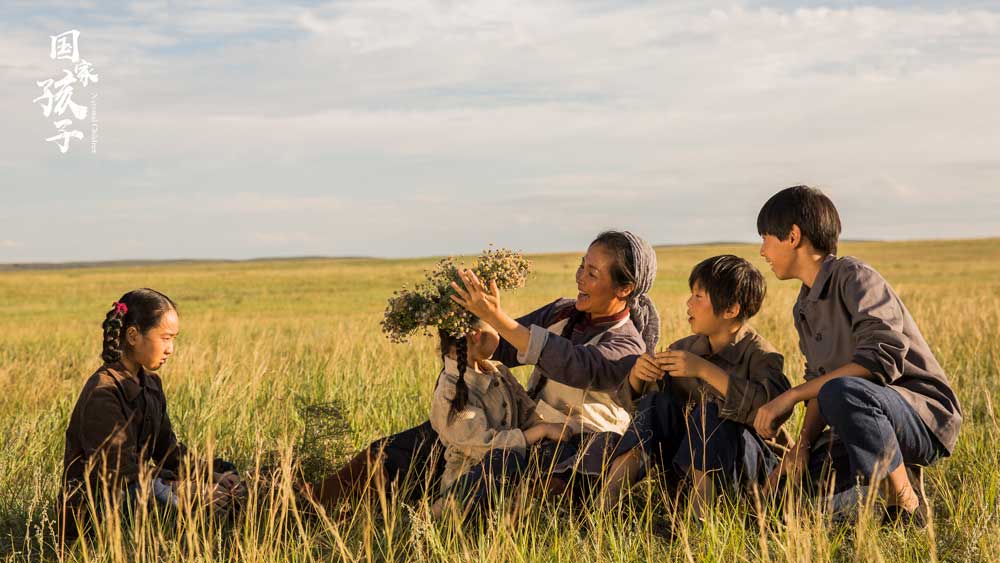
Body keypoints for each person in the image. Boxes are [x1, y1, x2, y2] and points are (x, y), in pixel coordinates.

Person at [309, 230, 658, 508]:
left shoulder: (627, 346)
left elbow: (574, 365)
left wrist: (497, 317)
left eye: (592, 273)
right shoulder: (561, 313)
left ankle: (443, 516)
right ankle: (306, 502)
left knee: (517, 483)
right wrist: (470, 325)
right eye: (582, 266)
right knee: (415, 445)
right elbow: (506, 344)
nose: (580, 277)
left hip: (573, 449)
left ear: (624, 288)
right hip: (524, 428)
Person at [752, 185, 962, 526]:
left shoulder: (855, 276)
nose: (762, 251)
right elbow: (819, 383)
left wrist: (790, 396)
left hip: (920, 416)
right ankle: (886, 477)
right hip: (859, 413)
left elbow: (879, 361)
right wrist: (801, 447)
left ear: (792, 236)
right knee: (801, 480)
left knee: (842, 391)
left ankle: (905, 505)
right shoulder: (803, 306)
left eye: (765, 238)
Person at [603, 255, 790, 518]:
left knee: (711, 414)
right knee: (657, 404)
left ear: (731, 310)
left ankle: (699, 521)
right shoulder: (684, 349)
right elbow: (643, 410)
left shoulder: (762, 356)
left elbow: (770, 413)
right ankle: (605, 503)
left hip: (747, 474)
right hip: (684, 468)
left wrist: (704, 370)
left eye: (698, 297)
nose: (689, 303)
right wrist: (637, 377)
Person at [59, 289, 241, 545]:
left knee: (227, 475)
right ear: (133, 335)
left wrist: (211, 474)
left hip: (143, 484)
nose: (171, 349)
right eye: (165, 338)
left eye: (174, 339)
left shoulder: (151, 385)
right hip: (105, 508)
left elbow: (169, 451)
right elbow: (120, 473)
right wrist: (185, 487)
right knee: (166, 495)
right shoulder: (103, 392)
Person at [429, 318, 572, 517]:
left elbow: (527, 414)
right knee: (505, 459)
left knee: (566, 449)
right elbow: (484, 445)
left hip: (512, 467)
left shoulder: (498, 371)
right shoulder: (449, 391)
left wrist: (550, 427)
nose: (500, 335)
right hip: (474, 478)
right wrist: (540, 431)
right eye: (496, 329)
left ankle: (535, 503)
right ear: (476, 335)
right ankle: (441, 512)